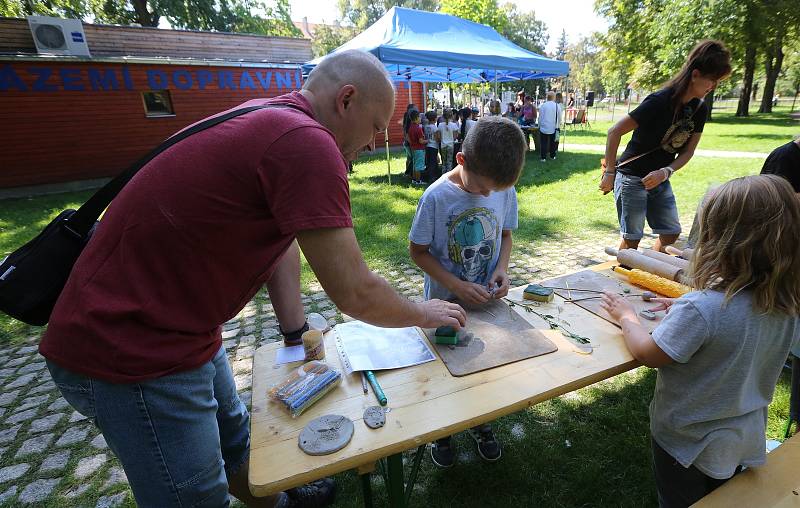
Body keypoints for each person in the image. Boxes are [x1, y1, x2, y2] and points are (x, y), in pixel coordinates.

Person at [39, 49, 466, 508]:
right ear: (346, 100)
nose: (371, 143)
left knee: (239, 443)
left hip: (181, 326)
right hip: (131, 347)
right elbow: (354, 291)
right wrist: (421, 313)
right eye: (376, 127)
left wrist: (294, 332)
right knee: (194, 498)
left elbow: (281, 239)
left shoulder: (275, 116)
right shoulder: (307, 141)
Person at [600, 174, 800, 508]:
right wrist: (687, 309)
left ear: (718, 241)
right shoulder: (785, 301)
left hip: (686, 443)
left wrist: (627, 317)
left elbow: (648, 353)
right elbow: (734, 327)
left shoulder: (703, 308)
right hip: (742, 431)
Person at [409, 116, 527, 468]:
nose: (489, 195)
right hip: (444, 304)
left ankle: (481, 421)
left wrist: (502, 270)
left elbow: (505, 234)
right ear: (461, 160)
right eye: (481, 188)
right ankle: (443, 429)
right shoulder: (436, 197)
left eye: (496, 190)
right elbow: (418, 252)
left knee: (482, 367)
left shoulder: (502, 186)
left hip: (485, 303)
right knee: (447, 370)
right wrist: (457, 285)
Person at [600, 40, 731, 252]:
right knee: (632, 238)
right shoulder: (659, 101)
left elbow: (688, 151)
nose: (714, 86)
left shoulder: (699, 108)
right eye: (712, 80)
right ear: (695, 74)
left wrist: (666, 171)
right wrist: (610, 173)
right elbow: (614, 132)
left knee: (671, 232)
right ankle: (626, 272)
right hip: (631, 177)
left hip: (660, 179)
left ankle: (649, 265)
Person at [538, 91, 560, 162]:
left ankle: (543, 157)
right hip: (554, 127)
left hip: (544, 127)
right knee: (553, 143)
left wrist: (539, 125)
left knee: (543, 143)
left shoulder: (543, 105)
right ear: (554, 97)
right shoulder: (557, 106)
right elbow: (559, 117)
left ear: (547, 97)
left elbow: (540, 117)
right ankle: (552, 156)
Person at [407, 109, 427, 185]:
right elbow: (421, 141)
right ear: (416, 118)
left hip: (413, 148)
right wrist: (428, 141)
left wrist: (412, 143)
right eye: (419, 117)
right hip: (419, 149)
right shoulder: (418, 128)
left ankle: (414, 180)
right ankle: (418, 181)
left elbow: (408, 138)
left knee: (415, 165)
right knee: (419, 166)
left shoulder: (410, 127)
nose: (420, 118)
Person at [438, 109, 459, 173]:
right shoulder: (454, 125)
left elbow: (439, 137)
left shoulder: (440, 125)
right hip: (450, 145)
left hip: (443, 145)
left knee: (444, 162)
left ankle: (443, 175)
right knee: (449, 162)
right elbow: (455, 137)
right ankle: (448, 176)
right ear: (452, 116)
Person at [424, 110, 441, 182]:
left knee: (429, 161)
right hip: (434, 146)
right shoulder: (435, 128)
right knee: (433, 162)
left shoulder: (426, 127)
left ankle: (428, 175)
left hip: (427, 145)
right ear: (435, 119)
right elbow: (437, 138)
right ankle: (432, 177)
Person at [402, 103, 417, 177]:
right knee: (412, 158)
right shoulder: (408, 122)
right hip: (408, 143)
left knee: (409, 158)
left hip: (406, 143)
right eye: (415, 108)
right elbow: (406, 134)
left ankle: (407, 173)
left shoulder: (406, 120)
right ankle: (409, 173)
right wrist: (411, 143)